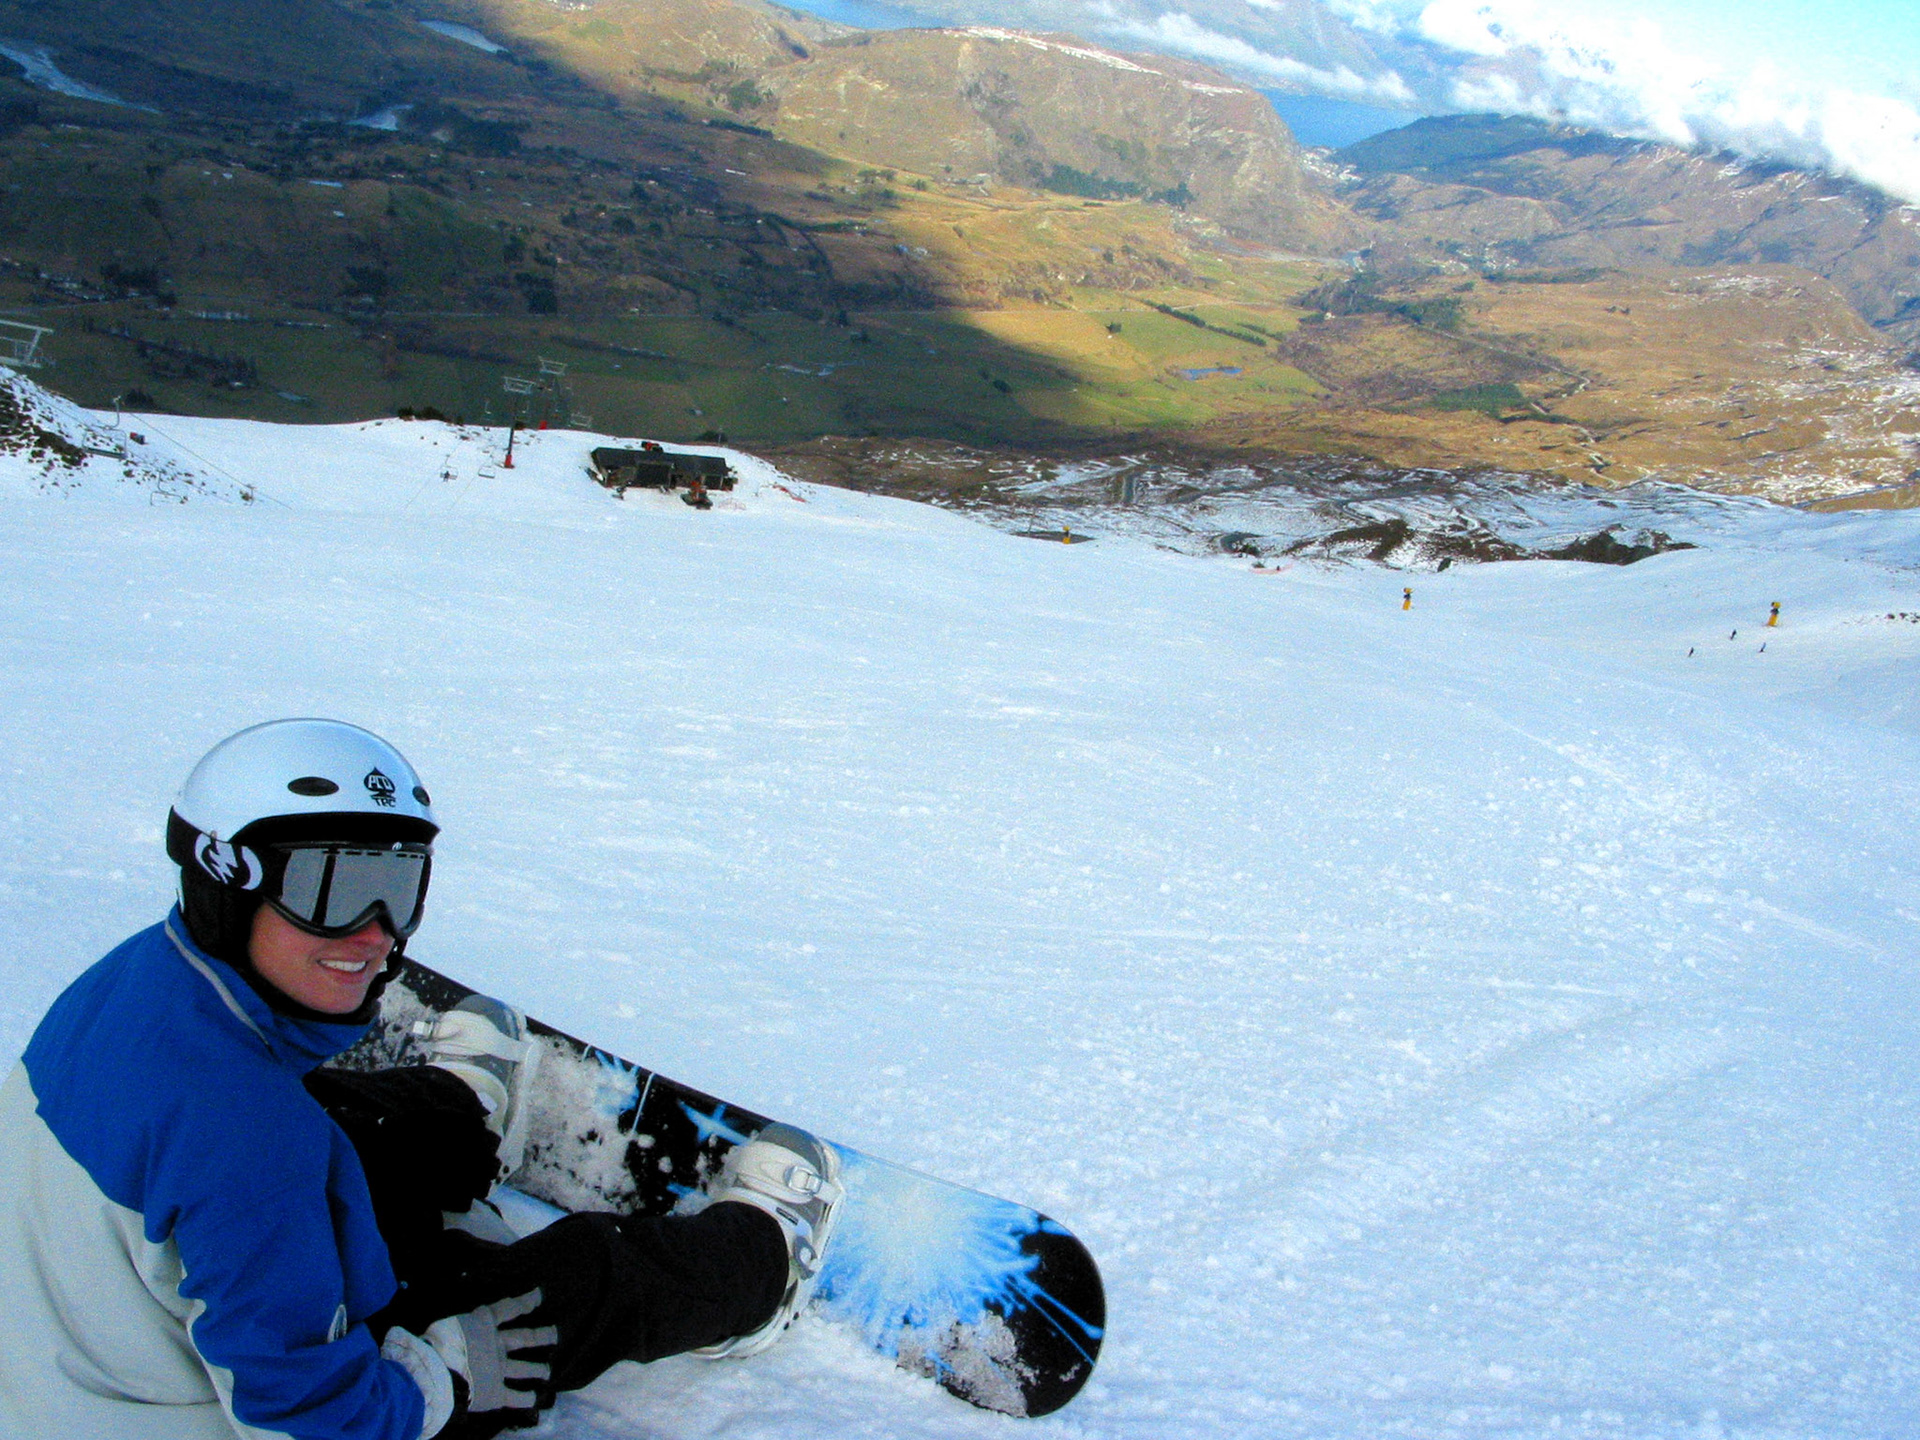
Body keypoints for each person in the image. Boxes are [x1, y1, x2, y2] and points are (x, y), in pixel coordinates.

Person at [0, 718, 844, 1439]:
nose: (375, 936)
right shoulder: (249, 1147)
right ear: (229, 880)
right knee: (559, 1291)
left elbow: (239, 1155)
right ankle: (761, 1269)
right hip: (195, 1414)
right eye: (332, 888)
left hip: (75, 1371)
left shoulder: (137, 985)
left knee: (322, 1117)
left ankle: (462, 1123)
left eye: (397, 888)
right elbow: (311, 1424)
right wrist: (439, 1375)